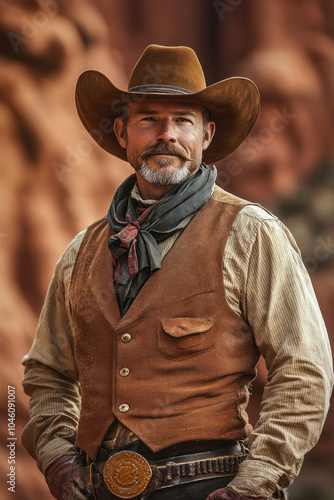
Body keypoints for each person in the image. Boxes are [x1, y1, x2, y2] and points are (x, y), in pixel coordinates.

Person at [21, 45, 333, 500]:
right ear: (123, 132)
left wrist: (256, 482)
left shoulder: (251, 233)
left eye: (182, 120)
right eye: (148, 118)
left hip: (211, 487)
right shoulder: (81, 252)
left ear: (206, 135)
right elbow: (47, 373)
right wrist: (57, 458)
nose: (165, 134)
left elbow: (304, 371)